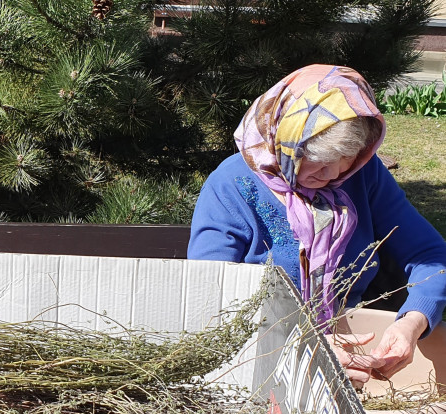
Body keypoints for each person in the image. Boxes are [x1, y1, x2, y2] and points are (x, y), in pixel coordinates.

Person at [188, 64, 446, 388]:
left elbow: (430, 256)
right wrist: (304, 347)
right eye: (320, 161)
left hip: (353, 356)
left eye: (348, 157)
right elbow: (209, 297)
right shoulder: (232, 186)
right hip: (259, 366)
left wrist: (413, 321)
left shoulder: (362, 174)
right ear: (286, 141)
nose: (334, 175)